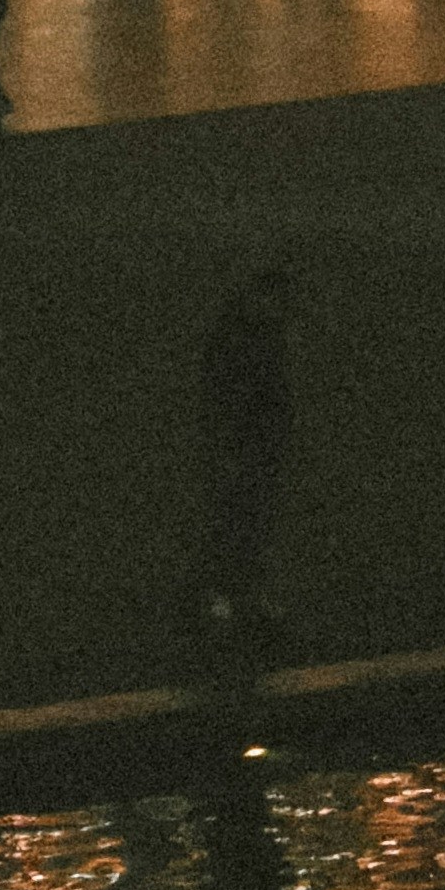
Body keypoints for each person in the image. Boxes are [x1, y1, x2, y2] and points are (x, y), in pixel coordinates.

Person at [193, 260, 295, 648]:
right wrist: (224, 447)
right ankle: (220, 597)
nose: (281, 309)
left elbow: (276, 394)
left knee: (258, 521)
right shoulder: (235, 335)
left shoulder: (266, 331)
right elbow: (220, 396)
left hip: (261, 444)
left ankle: (250, 597)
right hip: (238, 443)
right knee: (232, 520)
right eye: (277, 300)